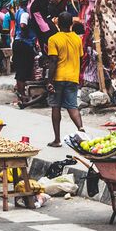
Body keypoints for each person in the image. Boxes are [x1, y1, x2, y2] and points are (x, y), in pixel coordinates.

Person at [46, 13, 85, 147]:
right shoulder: (77, 39)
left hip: (58, 77)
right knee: (72, 107)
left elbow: (53, 60)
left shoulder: (53, 39)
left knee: (55, 106)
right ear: (71, 24)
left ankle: (57, 140)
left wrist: (49, 81)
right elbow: (80, 58)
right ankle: (81, 130)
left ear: (58, 24)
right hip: (72, 77)